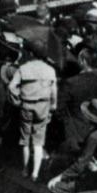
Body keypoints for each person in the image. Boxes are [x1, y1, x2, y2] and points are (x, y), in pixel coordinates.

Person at [8, 41, 57, 179]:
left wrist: (17, 100)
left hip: (26, 105)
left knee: (25, 139)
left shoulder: (23, 68)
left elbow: (12, 86)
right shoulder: (50, 70)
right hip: (43, 106)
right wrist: (52, 107)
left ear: (31, 54)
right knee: (39, 141)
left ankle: (24, 169)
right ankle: (35, 173)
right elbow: (54, 92)